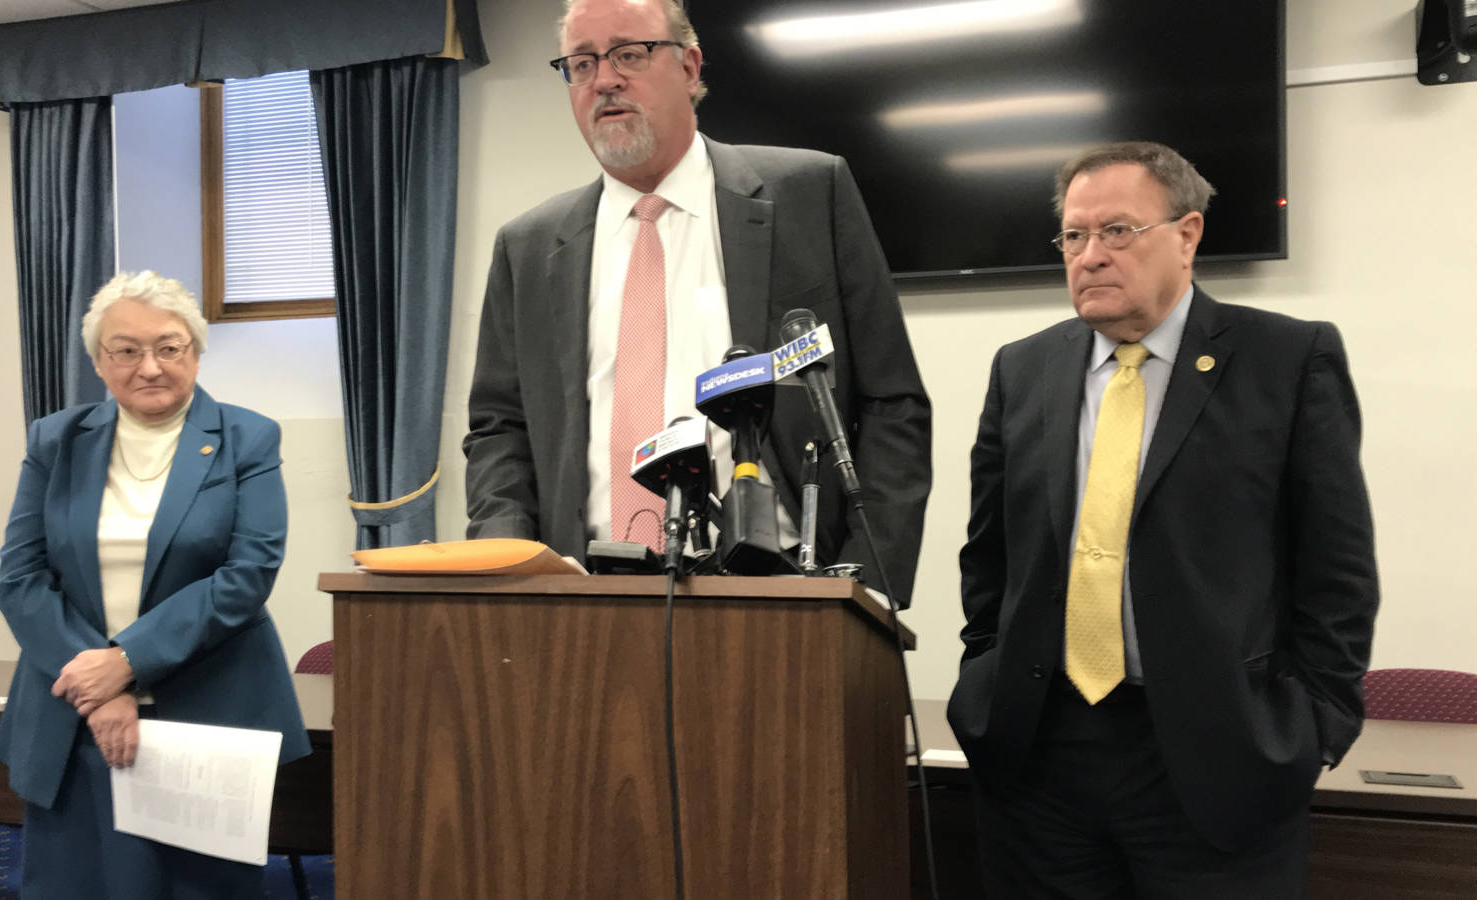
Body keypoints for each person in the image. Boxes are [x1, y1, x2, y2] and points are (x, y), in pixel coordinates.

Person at [946, 142, 1379, 897]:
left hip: (1219, 757)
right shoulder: (1024, 368)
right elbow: (990, 557)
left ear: (1187, 234)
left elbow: (1337, 569)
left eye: (1117, 231)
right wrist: (983, 674)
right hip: (1041, 755)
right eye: (1073, 236)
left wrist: (1315, 727)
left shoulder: (1286, 358)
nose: (1089, 256)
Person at [463, 0, 931, 602]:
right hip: (582, 600)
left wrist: (866, 586)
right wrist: (512, 563)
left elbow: (892, 401)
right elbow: (499, 428)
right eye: (581, 64)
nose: (604, 79)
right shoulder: (526, 247)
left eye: (629, 54)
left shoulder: (809, 194)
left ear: (688, 68)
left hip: (786, 594)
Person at [0, 271, 309, 898]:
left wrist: (127, 664)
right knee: (75, 884)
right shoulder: (54, 441)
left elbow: (247, 575)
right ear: (99, 362)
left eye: (169, 346)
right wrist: (99, 684)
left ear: (195, 350)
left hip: (202, 715)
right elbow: (20, 577)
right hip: (72, 715)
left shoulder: (248, 437)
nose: (150, 367)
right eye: (127, 350)